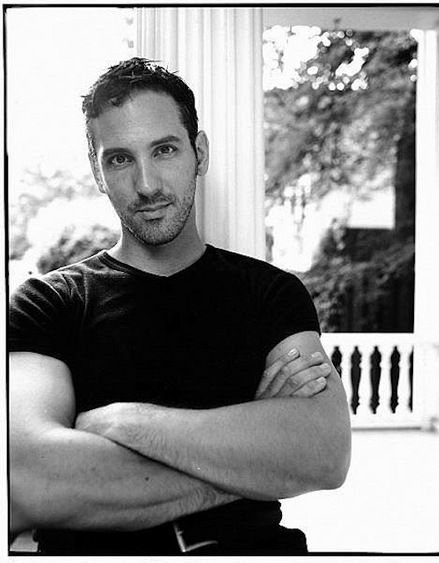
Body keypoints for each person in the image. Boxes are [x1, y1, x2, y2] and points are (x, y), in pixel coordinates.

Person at [9, 58, 351, 556]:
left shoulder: (271, 294)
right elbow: (26, 481)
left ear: (199, 152)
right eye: (119, 159)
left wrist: (122, 422)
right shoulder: (48, 303)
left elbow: (324, 453)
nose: (147, 184)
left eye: (165, 150)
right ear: (98, 172)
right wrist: (253, 461)